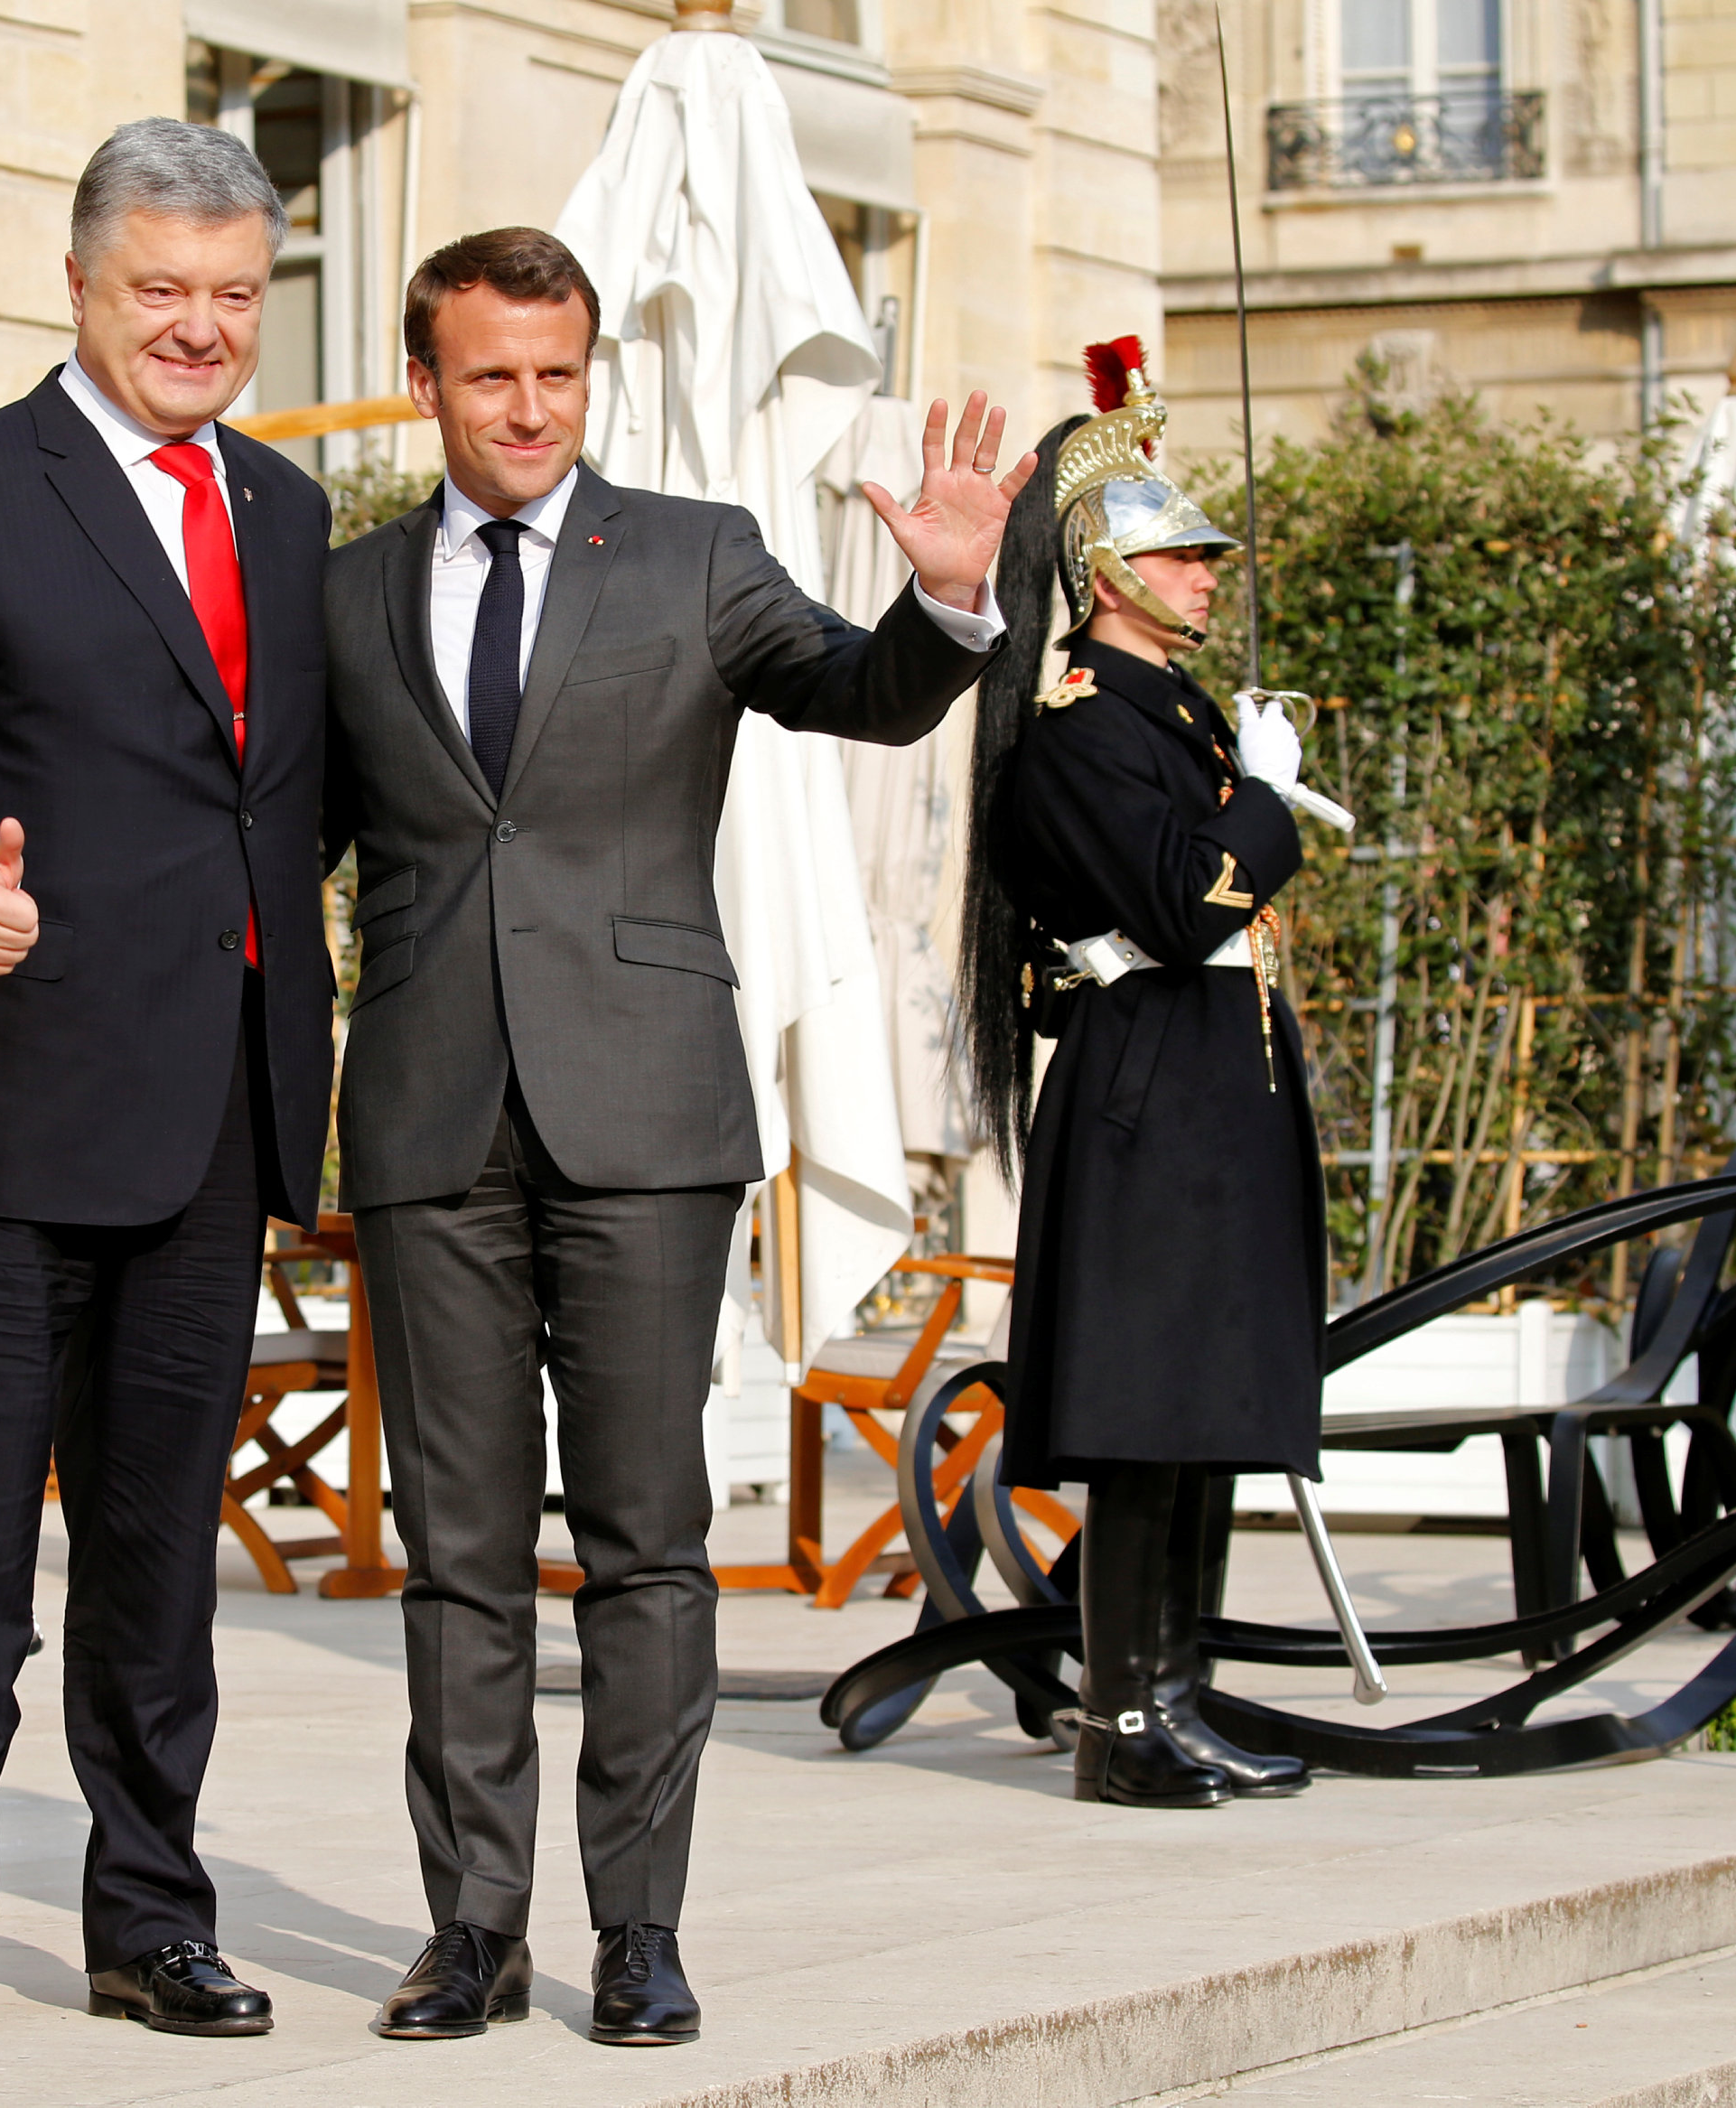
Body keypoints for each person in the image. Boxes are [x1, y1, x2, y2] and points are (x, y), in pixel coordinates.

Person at [318, 227, 1031, 2048]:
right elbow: (274, 838)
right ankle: (469, 1927)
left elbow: (848, 689)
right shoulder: (347, 592)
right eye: (493, 376)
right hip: (424, 1114)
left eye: (559, 374)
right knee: (455, 1549)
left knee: (645, 1540)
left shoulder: (695, 556)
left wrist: (943, 606)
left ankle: (637, 1931)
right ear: (429, 385)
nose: (531, 408)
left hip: (643, 1113)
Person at [0, 120, 335, 2060]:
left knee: (151, 1565)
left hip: (209, 1121)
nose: (197, 330)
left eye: (230, 297)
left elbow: (296, 794)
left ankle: (149, 1924)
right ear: (83, 286)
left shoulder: (283, 516)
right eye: (159, 293)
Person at [965, 337, 1328, 1811]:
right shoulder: (1088, 730)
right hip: (1147, 1097)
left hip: (1208, 1087)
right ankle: (1121, 1723)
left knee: (1211, 1408)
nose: (1206, 576)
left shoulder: (1172, 719)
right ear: (1108, 574)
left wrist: (1239, 786)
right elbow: (1186, 905)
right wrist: (1269, 804)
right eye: (1180, 558)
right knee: (1146, 1420)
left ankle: (1178, 1693)